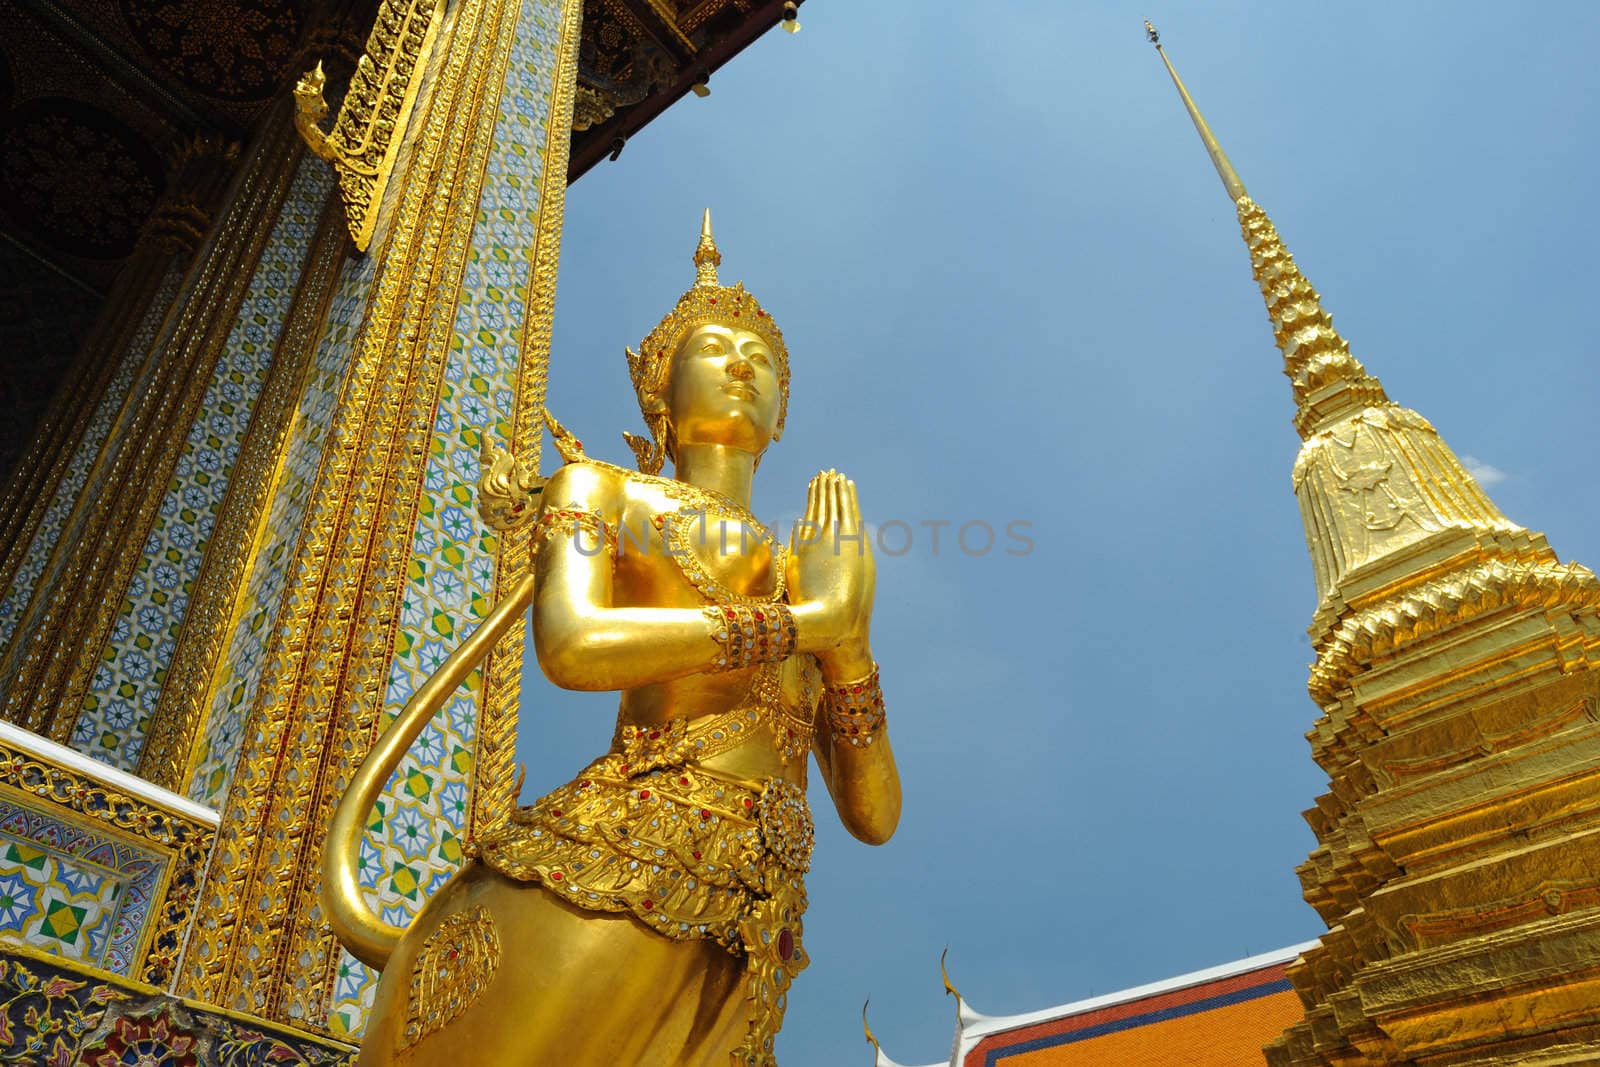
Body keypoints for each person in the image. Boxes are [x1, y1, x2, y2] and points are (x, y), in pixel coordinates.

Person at [324, 211, 901, 1066]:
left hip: (757, 918)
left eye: (767, 362)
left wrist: (847, 641)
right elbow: (573, 644)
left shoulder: (808, 562)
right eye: (713, 349)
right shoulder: (604, 490)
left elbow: (874, 814)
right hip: (617, 858)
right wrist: (805, 623)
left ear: (783, 414)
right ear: (659, 391)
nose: (744, 364)